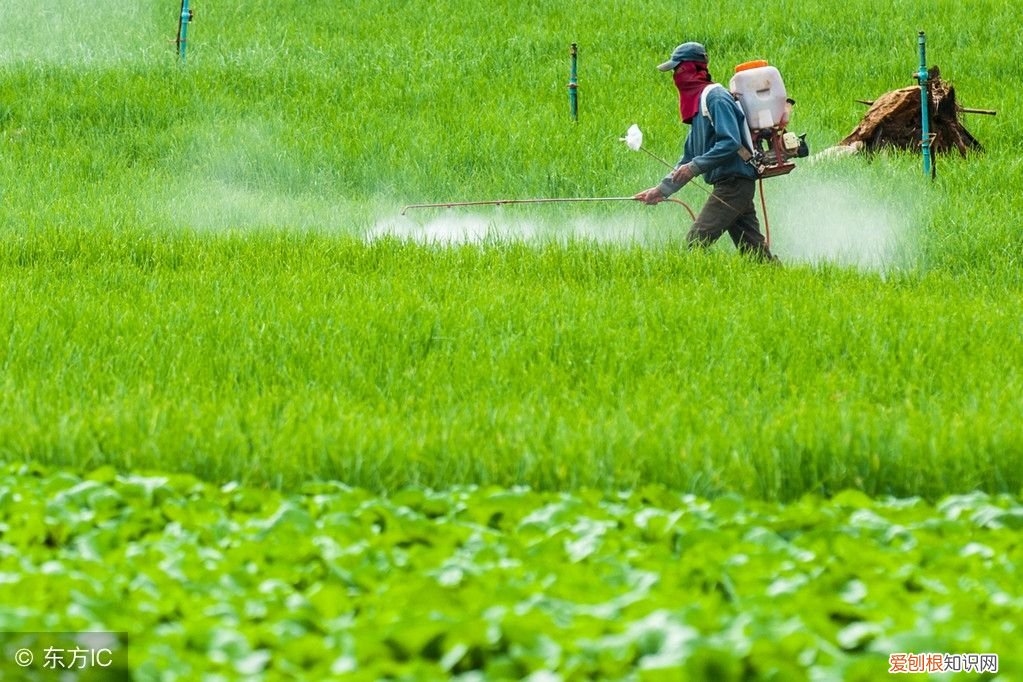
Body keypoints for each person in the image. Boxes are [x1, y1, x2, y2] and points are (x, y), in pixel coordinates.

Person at [634, 41, 777, 262]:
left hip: (735, 183)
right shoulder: (698, 107)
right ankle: (776, 280)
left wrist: (695, 168)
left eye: (677, 69)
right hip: (730, 184)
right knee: (754, 254)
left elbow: (730, 142)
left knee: (695, 243)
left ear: (692, 68)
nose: (675, 76)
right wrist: (661, 190)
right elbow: (688, 158)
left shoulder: (715, 97)